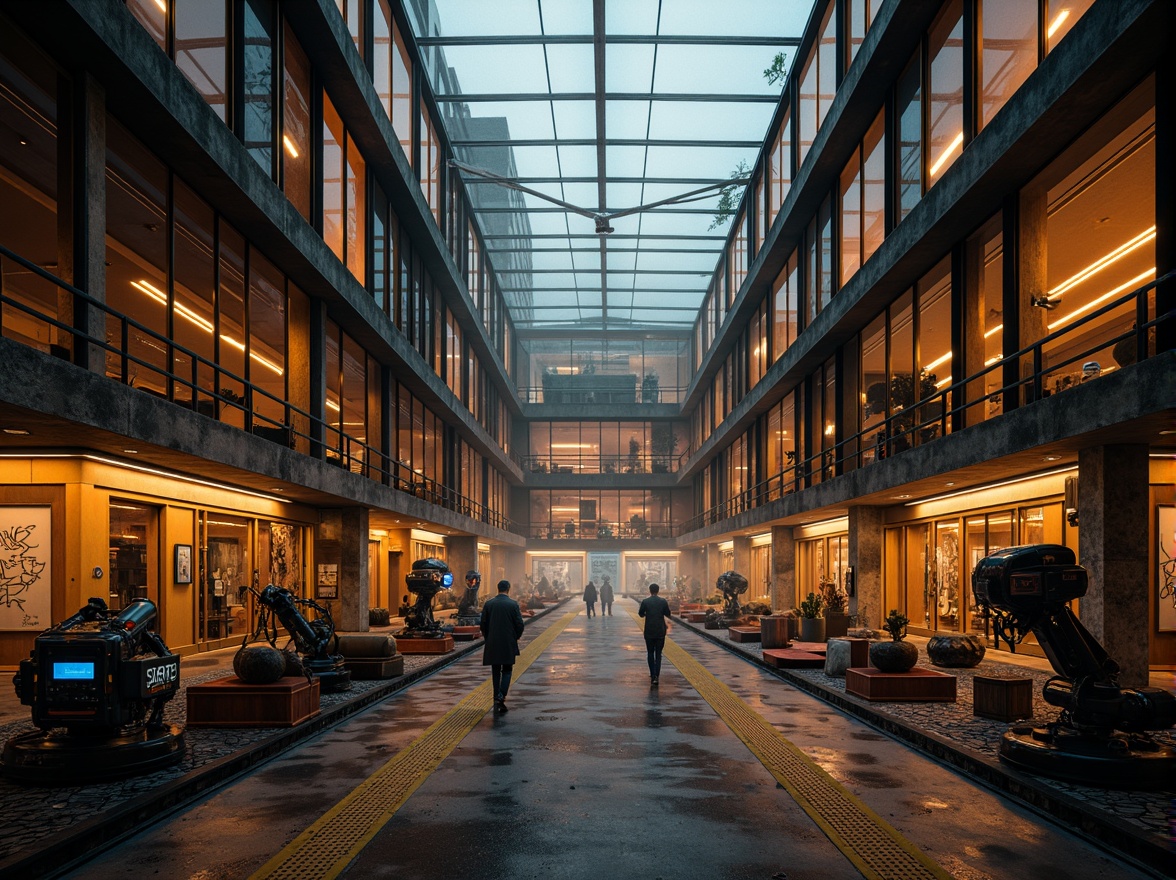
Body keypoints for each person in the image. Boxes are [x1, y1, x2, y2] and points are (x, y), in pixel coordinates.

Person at [480, 579, 525, 714]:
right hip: (508, 643)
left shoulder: (489, 604)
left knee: (495, 671)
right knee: (507, 670)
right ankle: (501, 696)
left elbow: (483, 624)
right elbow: (520, 624)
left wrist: (488, 638)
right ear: (508, 589)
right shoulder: (513, 604)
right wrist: (515, 637)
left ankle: (495, 697)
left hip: (493, 642)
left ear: (497, 588)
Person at [638, 582, 671, 686]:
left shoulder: (645, 602)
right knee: (658, 654)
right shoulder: (663, 601)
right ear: (658, 590)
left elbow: (640, 614)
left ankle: (652, 675)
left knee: (650, 652)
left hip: (649, 631)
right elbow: (668, 613)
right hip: (660, 631)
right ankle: (657, 675)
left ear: (650, 590)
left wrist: (647, 613)